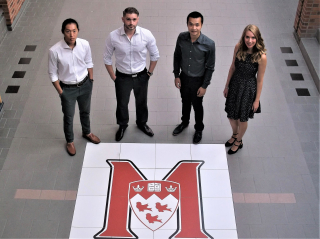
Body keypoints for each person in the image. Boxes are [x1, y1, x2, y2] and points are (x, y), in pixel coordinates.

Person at [103, 7, 160, 141]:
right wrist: (113, 77)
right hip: (122, 77)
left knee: (142, 102)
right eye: (128, 19)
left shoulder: (146, 35)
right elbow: (106, 58)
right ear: (123, 19)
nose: (131, 23)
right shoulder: (113, 36)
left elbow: (155, 55)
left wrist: (149, 73)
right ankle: (122, 125)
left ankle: (142, 123)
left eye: (134, 19)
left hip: (141, 75)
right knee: (122, 103)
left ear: (138, 19)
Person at [48, 18, 100, 156]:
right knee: (69, 117)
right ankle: (70, 141)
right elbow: (53, 74)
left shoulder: (84, 44)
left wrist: (91, 81)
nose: (71, 35)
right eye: (68, 31)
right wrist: (61, 92)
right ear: (63, 32)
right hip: (67, 89)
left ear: (78, 31)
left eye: (74, 31)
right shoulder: (54, 51)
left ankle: (87, 132)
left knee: (85, 112)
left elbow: (89, 62)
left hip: (85, 85)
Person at [173, 11, 215, 144]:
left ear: (201, 25)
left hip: (198, 81)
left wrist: (204, 86)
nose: (194, 28)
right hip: (184, 77)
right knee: (185, 102)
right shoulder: (181, 37)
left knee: (197, 106)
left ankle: (198, 129)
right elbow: (177, 57)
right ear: (187, 24)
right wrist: (176, 75)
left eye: (197, 25)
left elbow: (210, 67)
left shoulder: (209, 44)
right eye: (191, 24)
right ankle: (184, 123)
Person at [223, 24, 267, 154]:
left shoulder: (261, 56)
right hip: (235, 84)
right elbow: (232, 68)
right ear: (244, 37)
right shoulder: (238, 47)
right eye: (247, 37)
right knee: (231, 115)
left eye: (253, 37)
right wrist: (227, 86)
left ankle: (238, 141)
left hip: (248, 89)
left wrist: (257, 100)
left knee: (242, 118)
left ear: (257, 38)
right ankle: (235, 134)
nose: (250, 40)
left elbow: (260, 80)